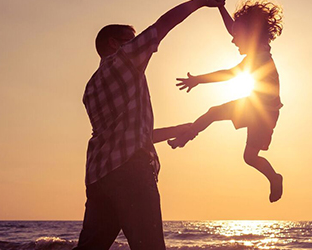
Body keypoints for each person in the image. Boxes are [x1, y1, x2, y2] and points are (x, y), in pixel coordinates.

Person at [76, 1, 224, 249]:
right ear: (114, 43)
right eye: (131, 39)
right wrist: (200, 2)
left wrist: (176, 130)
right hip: (131, 173)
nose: (138, 45)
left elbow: (127, 136)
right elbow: (161, 27)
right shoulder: (124, 60)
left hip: (98, 177)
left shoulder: (90, 88)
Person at [168, 0, 285, 203]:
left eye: (237, 37)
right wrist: (220, 7)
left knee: (244, 151)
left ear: (250, 35)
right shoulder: (257, 45)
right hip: (256, 106)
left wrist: (198, 79)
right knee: (244, 152)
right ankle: (186, 137)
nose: (233, 40)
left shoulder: (259, 57)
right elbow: (234, 29)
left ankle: (275, 177)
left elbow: (229, 74)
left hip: (264, 112)